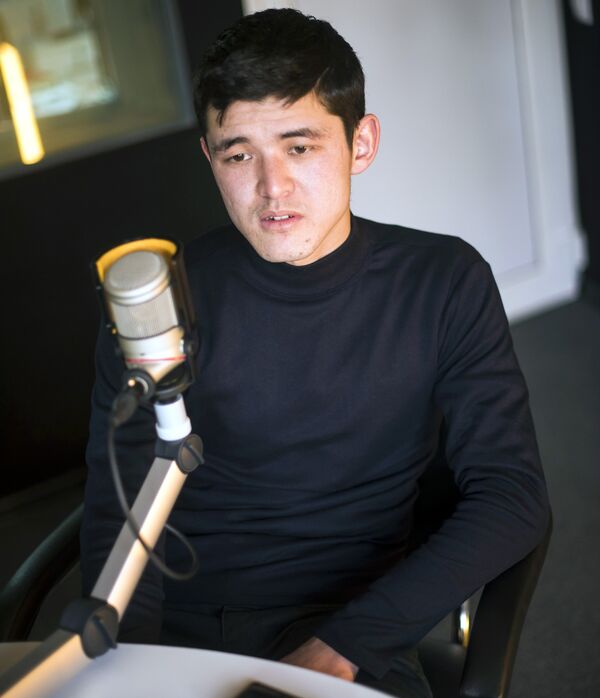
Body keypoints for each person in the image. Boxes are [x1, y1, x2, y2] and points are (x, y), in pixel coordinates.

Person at [81, 8, 550, 698]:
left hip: (348, 625)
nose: (272, 187)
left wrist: (346, 646)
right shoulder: (157, 302)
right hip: (181, 622)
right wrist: (131, 668)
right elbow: (118, 518)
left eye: (299, 147)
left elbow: (513, 497)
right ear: (210, 158)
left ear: (362, 143)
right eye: (239, 155)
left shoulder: (443, 281)